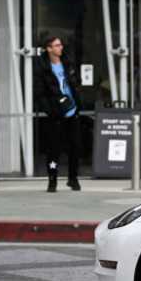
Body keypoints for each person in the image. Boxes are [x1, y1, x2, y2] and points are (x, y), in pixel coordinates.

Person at [34, 35, 82, 192]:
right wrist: (50, 110)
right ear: (49, 48)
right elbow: (39, 92)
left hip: (72, 111)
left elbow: (76, 83)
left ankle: (73, 178)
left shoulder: (67, 63)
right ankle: (52, 179)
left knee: (75, 147)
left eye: (60, 45)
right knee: (53, 149)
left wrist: (77, 103)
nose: (60, 47)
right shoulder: (43, 67)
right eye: (56, 45)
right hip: (55, 115)